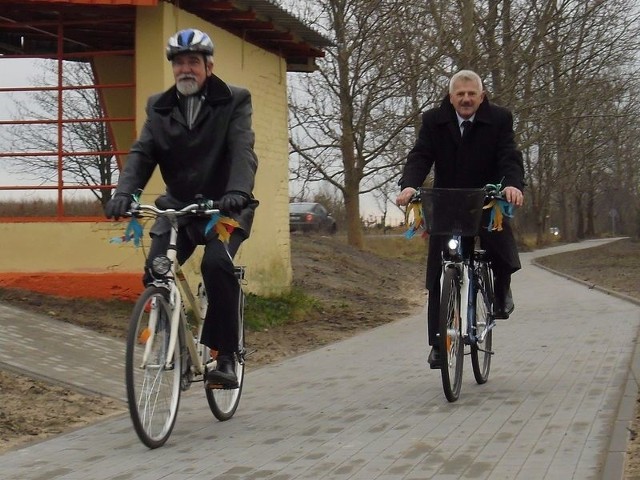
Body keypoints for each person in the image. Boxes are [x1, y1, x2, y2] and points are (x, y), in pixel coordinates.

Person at [105, 28, 259, 387]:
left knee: (216, 263)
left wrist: (237, 190)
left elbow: (242, 149)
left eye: (193, 62)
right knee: (156, 267)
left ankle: (226, 356)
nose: (185, 69)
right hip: (178, 208)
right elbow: (143, 154)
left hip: (224, 207)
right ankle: (170, 339)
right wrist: (124, 192)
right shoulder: (159, 106)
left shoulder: (234, 99)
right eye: (179, 63)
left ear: (209, 66)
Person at [396, 69, 524, 369]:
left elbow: (509, 155)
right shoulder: (433, 120)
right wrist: (409, 185)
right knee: (438, 271)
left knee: (499, 243)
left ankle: (501, 289)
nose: (466, 99)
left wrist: (512, 184)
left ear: (482, 96)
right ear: (451, 96)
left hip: (486, 197)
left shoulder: (500, 119)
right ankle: (439, 345)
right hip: (448, 200)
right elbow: (420, 155)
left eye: (472, 94)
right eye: (460, 94)